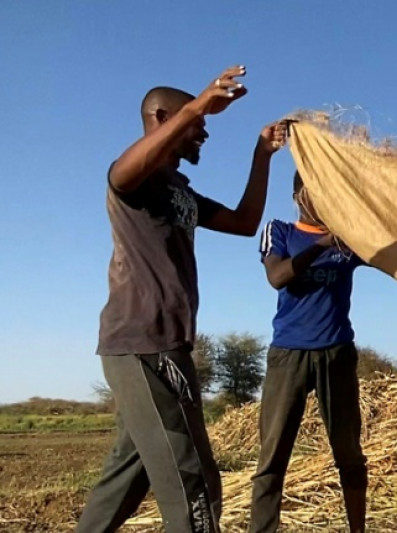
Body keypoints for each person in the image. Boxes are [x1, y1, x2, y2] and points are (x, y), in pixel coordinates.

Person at [76, 66, 287, 533]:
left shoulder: (180, 190)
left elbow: (245, 222)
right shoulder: (135, 180)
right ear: (161, 116)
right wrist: (197, 106)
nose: (204, 135)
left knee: (127, 476)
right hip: (143, 343)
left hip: (167, 342)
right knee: (193, 479)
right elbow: (121, 173)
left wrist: (262, 155)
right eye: (197, 127)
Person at [249, 172, 368, 533]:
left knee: (348, 452)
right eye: (313, 191)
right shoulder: (280, 231)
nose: (320, 199)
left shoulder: (349, 241)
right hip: (289, 355)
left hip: (336, 354)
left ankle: (357, 529)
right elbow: (278, 277)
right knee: (272, 457)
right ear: (298, 194)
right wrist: (322, 245)